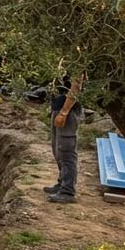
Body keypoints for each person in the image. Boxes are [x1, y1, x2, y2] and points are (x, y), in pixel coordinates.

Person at [45, 75, 83, 203]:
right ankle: (62, 183)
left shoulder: (78, 66)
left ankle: (68, 191)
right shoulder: (63, 65)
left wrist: (64, 112)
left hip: (68, 113)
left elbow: (76, 87)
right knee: (58, 151)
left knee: (66, 152)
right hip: (60, 109)